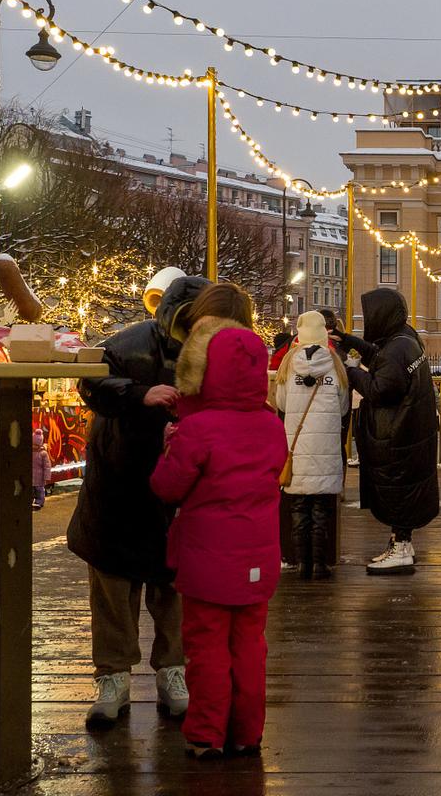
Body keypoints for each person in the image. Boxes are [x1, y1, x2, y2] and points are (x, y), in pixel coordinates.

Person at [69, 273, 211, 730]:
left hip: (175, 485)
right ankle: (113, 676)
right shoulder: (129, 343)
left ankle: (172, 670)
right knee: (113, 585)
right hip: (120, 481)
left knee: (172, 587)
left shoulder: (212, 350)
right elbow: (90, 383)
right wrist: (138, 393)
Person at [150, 315, 286, 758]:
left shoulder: (200, 429)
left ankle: (206, 734)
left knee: (206, 649)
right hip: (258, 560)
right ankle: (248, 732)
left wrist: (170, 445)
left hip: (208, 562)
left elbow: (167, 487)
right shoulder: (271, 426)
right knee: (250, 647)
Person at [345, 288, 439, 574]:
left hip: (398, 436)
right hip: (410, 434)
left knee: (398, 492)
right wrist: (355, 343)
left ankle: (400, 548)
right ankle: (402, 543)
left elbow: (381, 388)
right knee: (404, 489)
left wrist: (351, 371)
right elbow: (385, 362)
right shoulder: (406, 339)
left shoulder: (397, 348)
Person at [271, 311, 351, 580]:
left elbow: (280, 403)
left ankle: (301, 563)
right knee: (321, 508)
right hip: (326, 447)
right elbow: (343, 407)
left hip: (297, 446)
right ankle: (320, 564)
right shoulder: (335, 364)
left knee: (299, 507)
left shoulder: (288, 364)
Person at [32, 428, 52, 511]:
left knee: (40, 490)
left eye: (36, 444)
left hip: (39, 477)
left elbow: (47, 466)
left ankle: (39, 502)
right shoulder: (33, 452)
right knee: (34, 490)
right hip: (32, 476)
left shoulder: (43, 453)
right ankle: (35, 502)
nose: (34, 446)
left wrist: (47, 477)